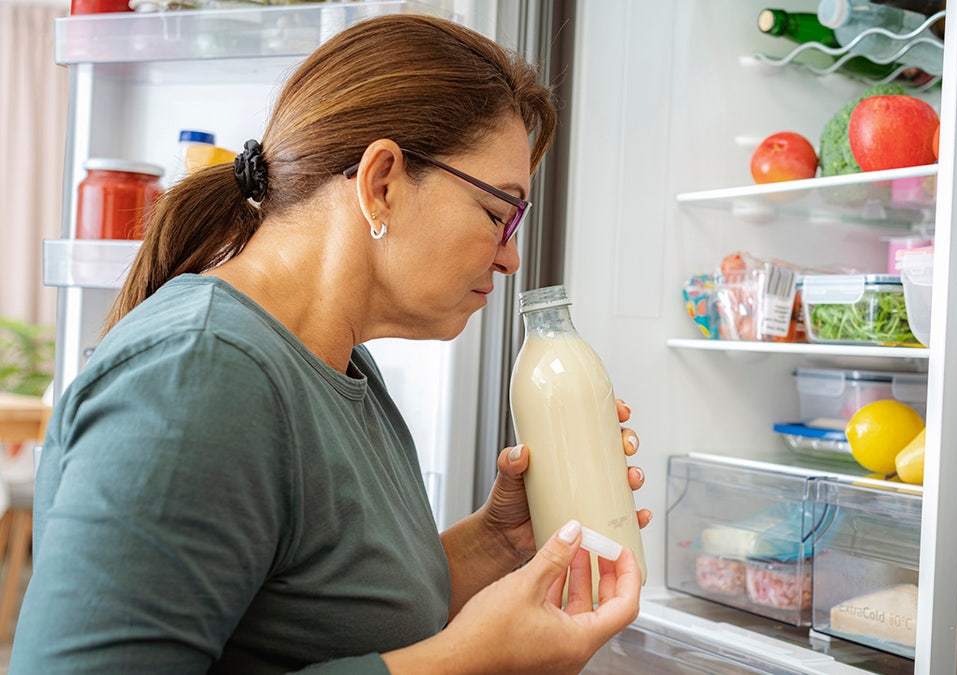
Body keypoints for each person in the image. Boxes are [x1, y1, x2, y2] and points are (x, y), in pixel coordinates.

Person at [11, 13, 649, 674]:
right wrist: (468, 663)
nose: (512, 257)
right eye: (498, 214)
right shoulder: (196, 375)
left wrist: (499, 539)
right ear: (382, 182)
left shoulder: (342, 367)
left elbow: (331, 618)